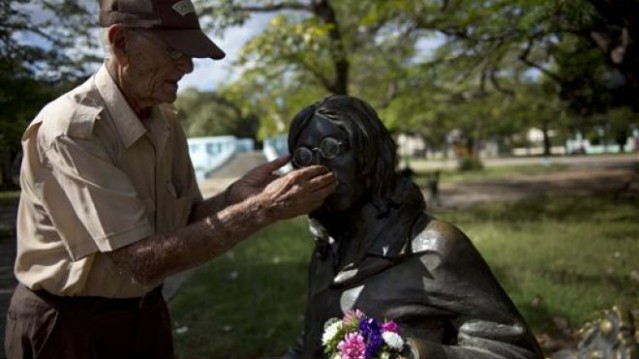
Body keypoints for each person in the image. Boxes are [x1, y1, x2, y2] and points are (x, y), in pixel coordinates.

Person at [4, 1, 336, 358]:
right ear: (120, 43)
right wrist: (262, 209)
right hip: (69, 328)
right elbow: (141, 261)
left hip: (145, 317)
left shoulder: (164, 119)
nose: (189, 65)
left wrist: (235, 197)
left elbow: (189, 220)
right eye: (174, 50)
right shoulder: (72, 130)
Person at [282, 95, 544, 359]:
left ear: (369, 150)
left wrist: (416, 354)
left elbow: (519, 353)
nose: (319, 168)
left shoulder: (434, 247)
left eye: (332, 148)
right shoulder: (327, 250)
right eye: (304, 157)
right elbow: (312, 341)